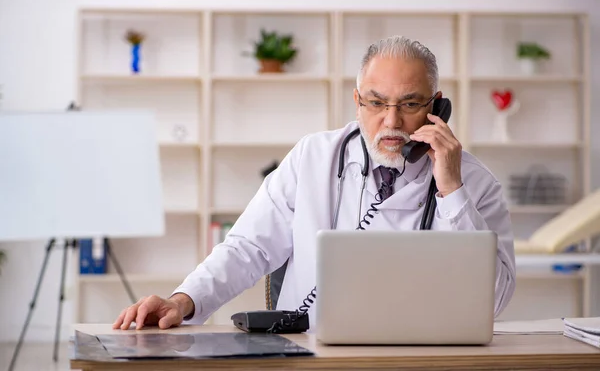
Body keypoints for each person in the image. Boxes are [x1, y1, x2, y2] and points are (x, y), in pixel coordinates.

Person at [113, 35, 516, 331]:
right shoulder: (314, 157)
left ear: (437, 105)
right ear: (357, 101)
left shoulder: (475, 184)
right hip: (309, 354)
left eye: (410, 104)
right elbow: (248, 247)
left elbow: (492, 302)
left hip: (422, 359)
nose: (391, 121)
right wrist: (182, 301)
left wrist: (451, 191)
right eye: (376, 103)